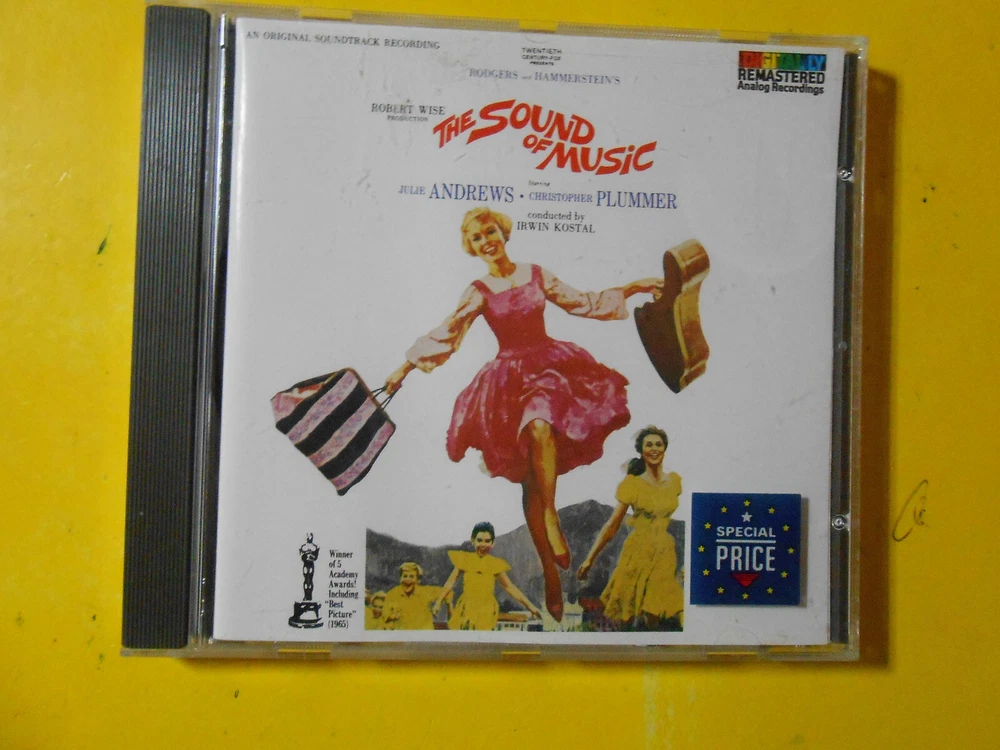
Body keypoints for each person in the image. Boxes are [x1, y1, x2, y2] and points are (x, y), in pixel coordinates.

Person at [385, 207, 661, 620]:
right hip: (507, 382)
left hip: (548, 368)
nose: (487, 241)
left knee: (540, 425)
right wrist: (403, 369)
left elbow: (582, 303)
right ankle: (550, 573)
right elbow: (448, 333)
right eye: (477, 238)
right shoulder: (478, 290)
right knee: (530, 482)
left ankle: (551, 514)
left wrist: (635, 286)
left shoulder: (535, 274)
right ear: (471, 247)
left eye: (490, 232)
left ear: (504, 232)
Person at [577, 426, 684, 630]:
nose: (654, 449)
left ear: (665, 448)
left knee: (658, 610)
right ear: (641, 450)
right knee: (627, 611)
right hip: (638, 551)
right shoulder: (632, 484)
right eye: (649, 445)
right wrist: (590, 559)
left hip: (665, 552)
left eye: (658, 444)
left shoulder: (674, 482)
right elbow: (612, 524)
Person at [433, 522, 541, 630]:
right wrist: (438, 602)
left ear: (492, 543)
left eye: (487, 541)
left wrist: (530, 606)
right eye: (479, 540)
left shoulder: (495, 564)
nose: (483, 545)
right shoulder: (465, 559)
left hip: (486, 609)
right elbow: (450, 582)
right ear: (473, 540)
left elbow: (510, 587)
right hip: (466, 607)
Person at [380, 562, 438, 630]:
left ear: (417, 580)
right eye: (405, 576)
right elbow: (385, 615)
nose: (408, 579)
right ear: (400, 578)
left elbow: (447, 591)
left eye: (411, 576)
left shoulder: (426, 591)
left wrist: (438, 603)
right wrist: (392, 617)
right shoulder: (392, 593)